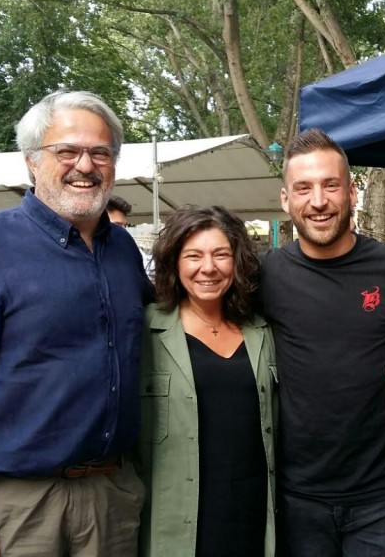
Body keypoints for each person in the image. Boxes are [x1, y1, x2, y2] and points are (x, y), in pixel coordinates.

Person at [0, 90, 152, 557]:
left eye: (100, 153)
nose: (86, 165)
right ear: (31, 162)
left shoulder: (123, 252)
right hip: (23, 504)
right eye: (67, 151)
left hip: (114, 496)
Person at [258, 129, 385, 556]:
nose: (318, 201)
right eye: (303, 188)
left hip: (382, 496)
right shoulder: (263, 274)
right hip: (297, 498)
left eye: (330, 185)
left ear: (351, 190)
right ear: (285, 199)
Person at [139, 205, 277, 556]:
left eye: (221, 254)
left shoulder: (261, 330)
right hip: (178, 519)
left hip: (251, 514)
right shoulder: (145, 330)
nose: (208, 268)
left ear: (238, 261)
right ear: (174, 262)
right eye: (194, 255)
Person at [107, 195, 154, 277]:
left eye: (124, 226)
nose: (123, 230)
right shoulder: (81, 256)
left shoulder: (132, 252)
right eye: (116, 225)